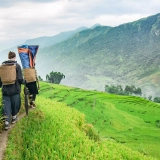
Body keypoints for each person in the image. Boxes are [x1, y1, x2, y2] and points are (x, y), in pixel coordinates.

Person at [0, 51, 25, 130]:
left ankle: (7, 122)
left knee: (6, 106)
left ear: (8, 57)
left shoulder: (2, 67)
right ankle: (14, 118)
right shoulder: (17, 66)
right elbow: (20, 79)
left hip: (5, 91)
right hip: (15, 90)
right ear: (14, 57)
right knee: (15, 105)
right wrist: (25, 82)